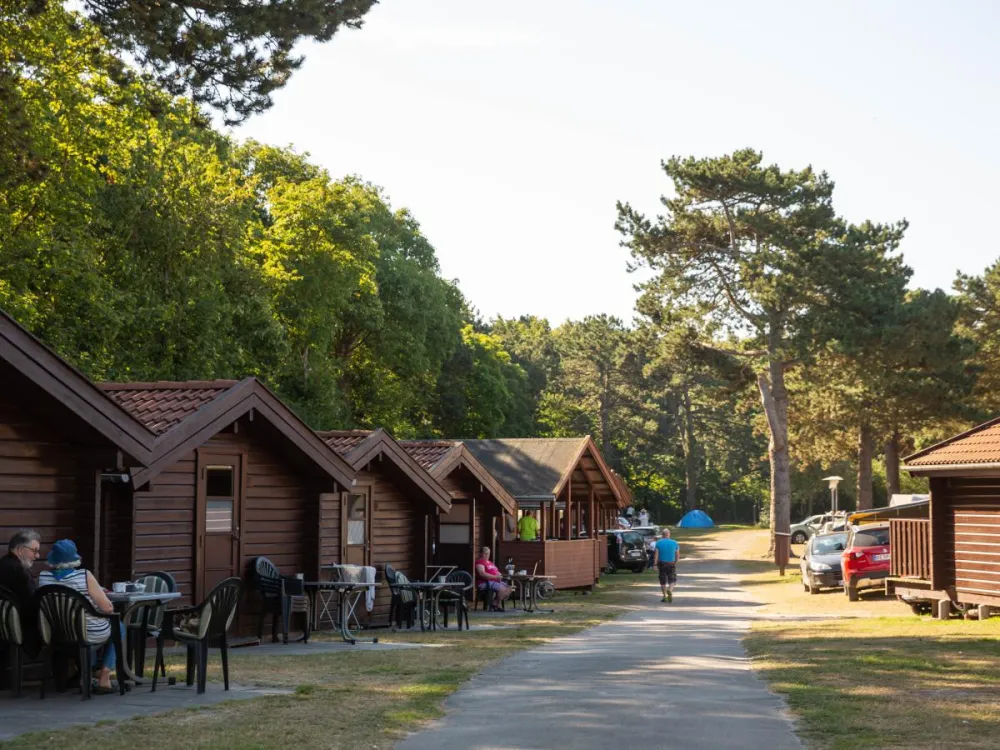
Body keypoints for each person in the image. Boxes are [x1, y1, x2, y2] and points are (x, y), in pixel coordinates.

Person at [38, 539, 124, 694]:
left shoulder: (43, 577)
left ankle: (85, 677)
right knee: (119, 626)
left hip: (58, 635)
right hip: (87, 634)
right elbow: (108, 608)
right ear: (74, 558)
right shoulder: (85, 575)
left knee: (87, 627)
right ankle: (104, 677)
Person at [0, 530, 42, 656]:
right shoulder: (19, 572)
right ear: (20, 550)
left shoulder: (3, 563)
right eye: (34, 551)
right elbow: (33, 603)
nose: (37, 556)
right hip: (17, 632)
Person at [475, 546, 514, 612]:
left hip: (495, 581)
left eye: (488, 553)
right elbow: (482, 573)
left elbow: (497, 572)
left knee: (509, 588)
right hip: (485, 582)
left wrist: (500, 576)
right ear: (481, 554)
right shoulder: (479, 562)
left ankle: (494, 603)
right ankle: (498, 605)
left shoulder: (490, 563)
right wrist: (496, 577)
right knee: (501, 588)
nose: (487, 555)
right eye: (485, 553)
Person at [652, 528, 680, 603]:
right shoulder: (675, 543)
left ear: (662, 535)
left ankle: (664, 596)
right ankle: (670, 590)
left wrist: (654, 564)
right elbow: (677, 554)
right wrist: (675, 562)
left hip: (662, 564)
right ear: (669, 534)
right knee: (672, 579)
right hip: (671, 563)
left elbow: (656, 555)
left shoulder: (658, 543)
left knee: (662, 581)